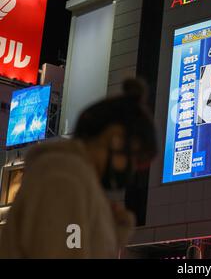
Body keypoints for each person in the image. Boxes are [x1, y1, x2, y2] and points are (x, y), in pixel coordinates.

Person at [0, 79, 157, 258]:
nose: (132, 170)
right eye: (134, 158)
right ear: (116, 137)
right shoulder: (66, 179)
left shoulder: (69, 176)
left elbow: (73, 246)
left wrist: (111, 232)